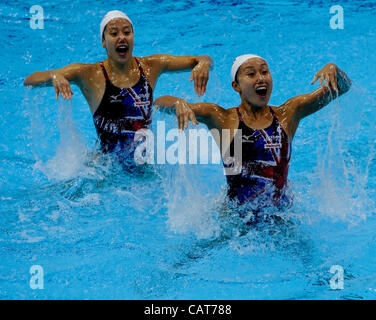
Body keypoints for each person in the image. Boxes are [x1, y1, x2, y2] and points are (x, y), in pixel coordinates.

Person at [154, 54, 352, 211]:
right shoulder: (222, 118)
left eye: (265, 72)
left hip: (280, 215)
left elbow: (343, 86)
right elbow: (159, 102)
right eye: (251, 74)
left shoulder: (288, 114)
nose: (260, 78)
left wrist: (334, 70)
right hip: (236, 218)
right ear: (236, 86)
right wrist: (179, 104)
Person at [24, 10, 212, 160]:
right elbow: (30, 79)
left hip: (145, 164)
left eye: (127, 32)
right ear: (103, 42)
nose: (121, 37)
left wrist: (203, 64)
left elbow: (203, 59)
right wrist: (54, 76)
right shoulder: (90, 74)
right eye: (114, 33)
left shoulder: (151, 66)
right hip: (106, 170)